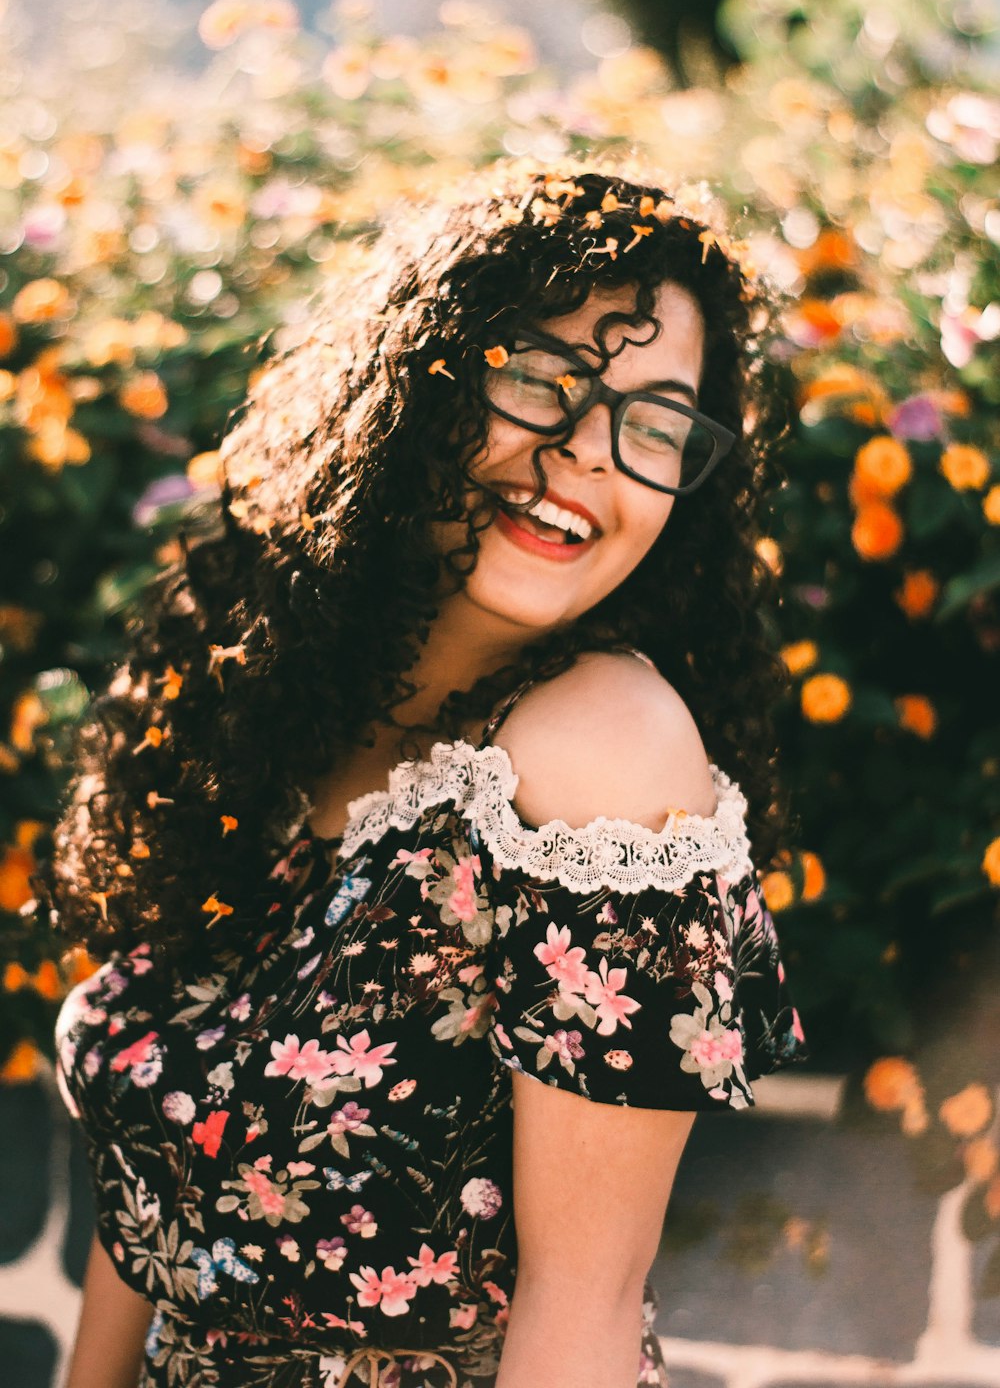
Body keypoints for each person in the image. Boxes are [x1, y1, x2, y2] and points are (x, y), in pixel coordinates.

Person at [48, 162, 808, 1388]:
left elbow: (585, 1305)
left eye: (655, 425)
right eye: (543, 378)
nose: (587, 457)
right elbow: (149, 1208)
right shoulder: (272, 698)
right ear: (426, 375)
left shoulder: (600, 748)